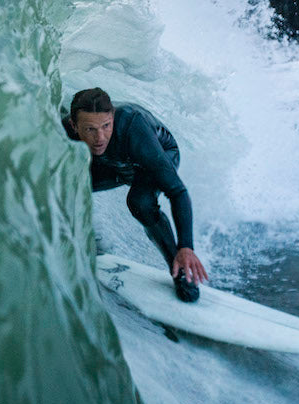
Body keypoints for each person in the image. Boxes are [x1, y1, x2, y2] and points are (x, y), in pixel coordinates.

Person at [63, 88, 208, 302]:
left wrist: (186, 246)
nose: (100, 137)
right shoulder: (64, 129)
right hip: (115, 164)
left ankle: (178, 268)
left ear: (112, 117)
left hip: (157, 154)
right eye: (90, 129)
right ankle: (87, 238)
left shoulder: (133, 127)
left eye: (106, 126)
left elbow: (178, 191)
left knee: (140, 202)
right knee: (65, 183)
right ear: (74, 126)